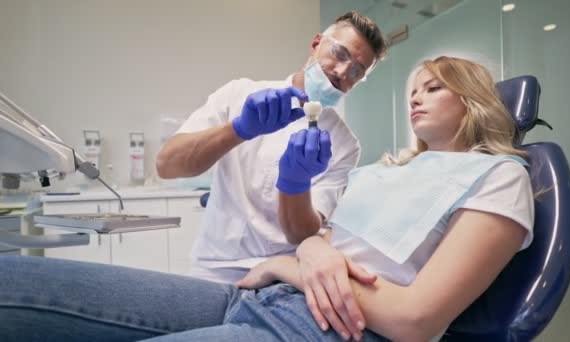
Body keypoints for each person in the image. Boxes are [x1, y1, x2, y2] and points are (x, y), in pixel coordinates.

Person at [0, 56, 534, 342]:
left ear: (473, 99)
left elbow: (417, 321)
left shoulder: (499, 176)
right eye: (412, 88)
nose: (415, 96)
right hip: (257, 297)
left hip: (321, 327)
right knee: (14, 280)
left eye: (433, 87)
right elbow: (323, 239)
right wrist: (308, 252)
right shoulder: (393, 169)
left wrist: (294, 264)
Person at [155, 11, 387, 284]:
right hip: (212, 270)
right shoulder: (239, 94)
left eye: (356, 72)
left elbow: (300, 236)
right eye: (339, 53)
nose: (341, 72)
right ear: (316, 43)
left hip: (282, 279)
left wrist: (295, 183)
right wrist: (239, 129)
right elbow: (167, 166)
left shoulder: (345, 145)